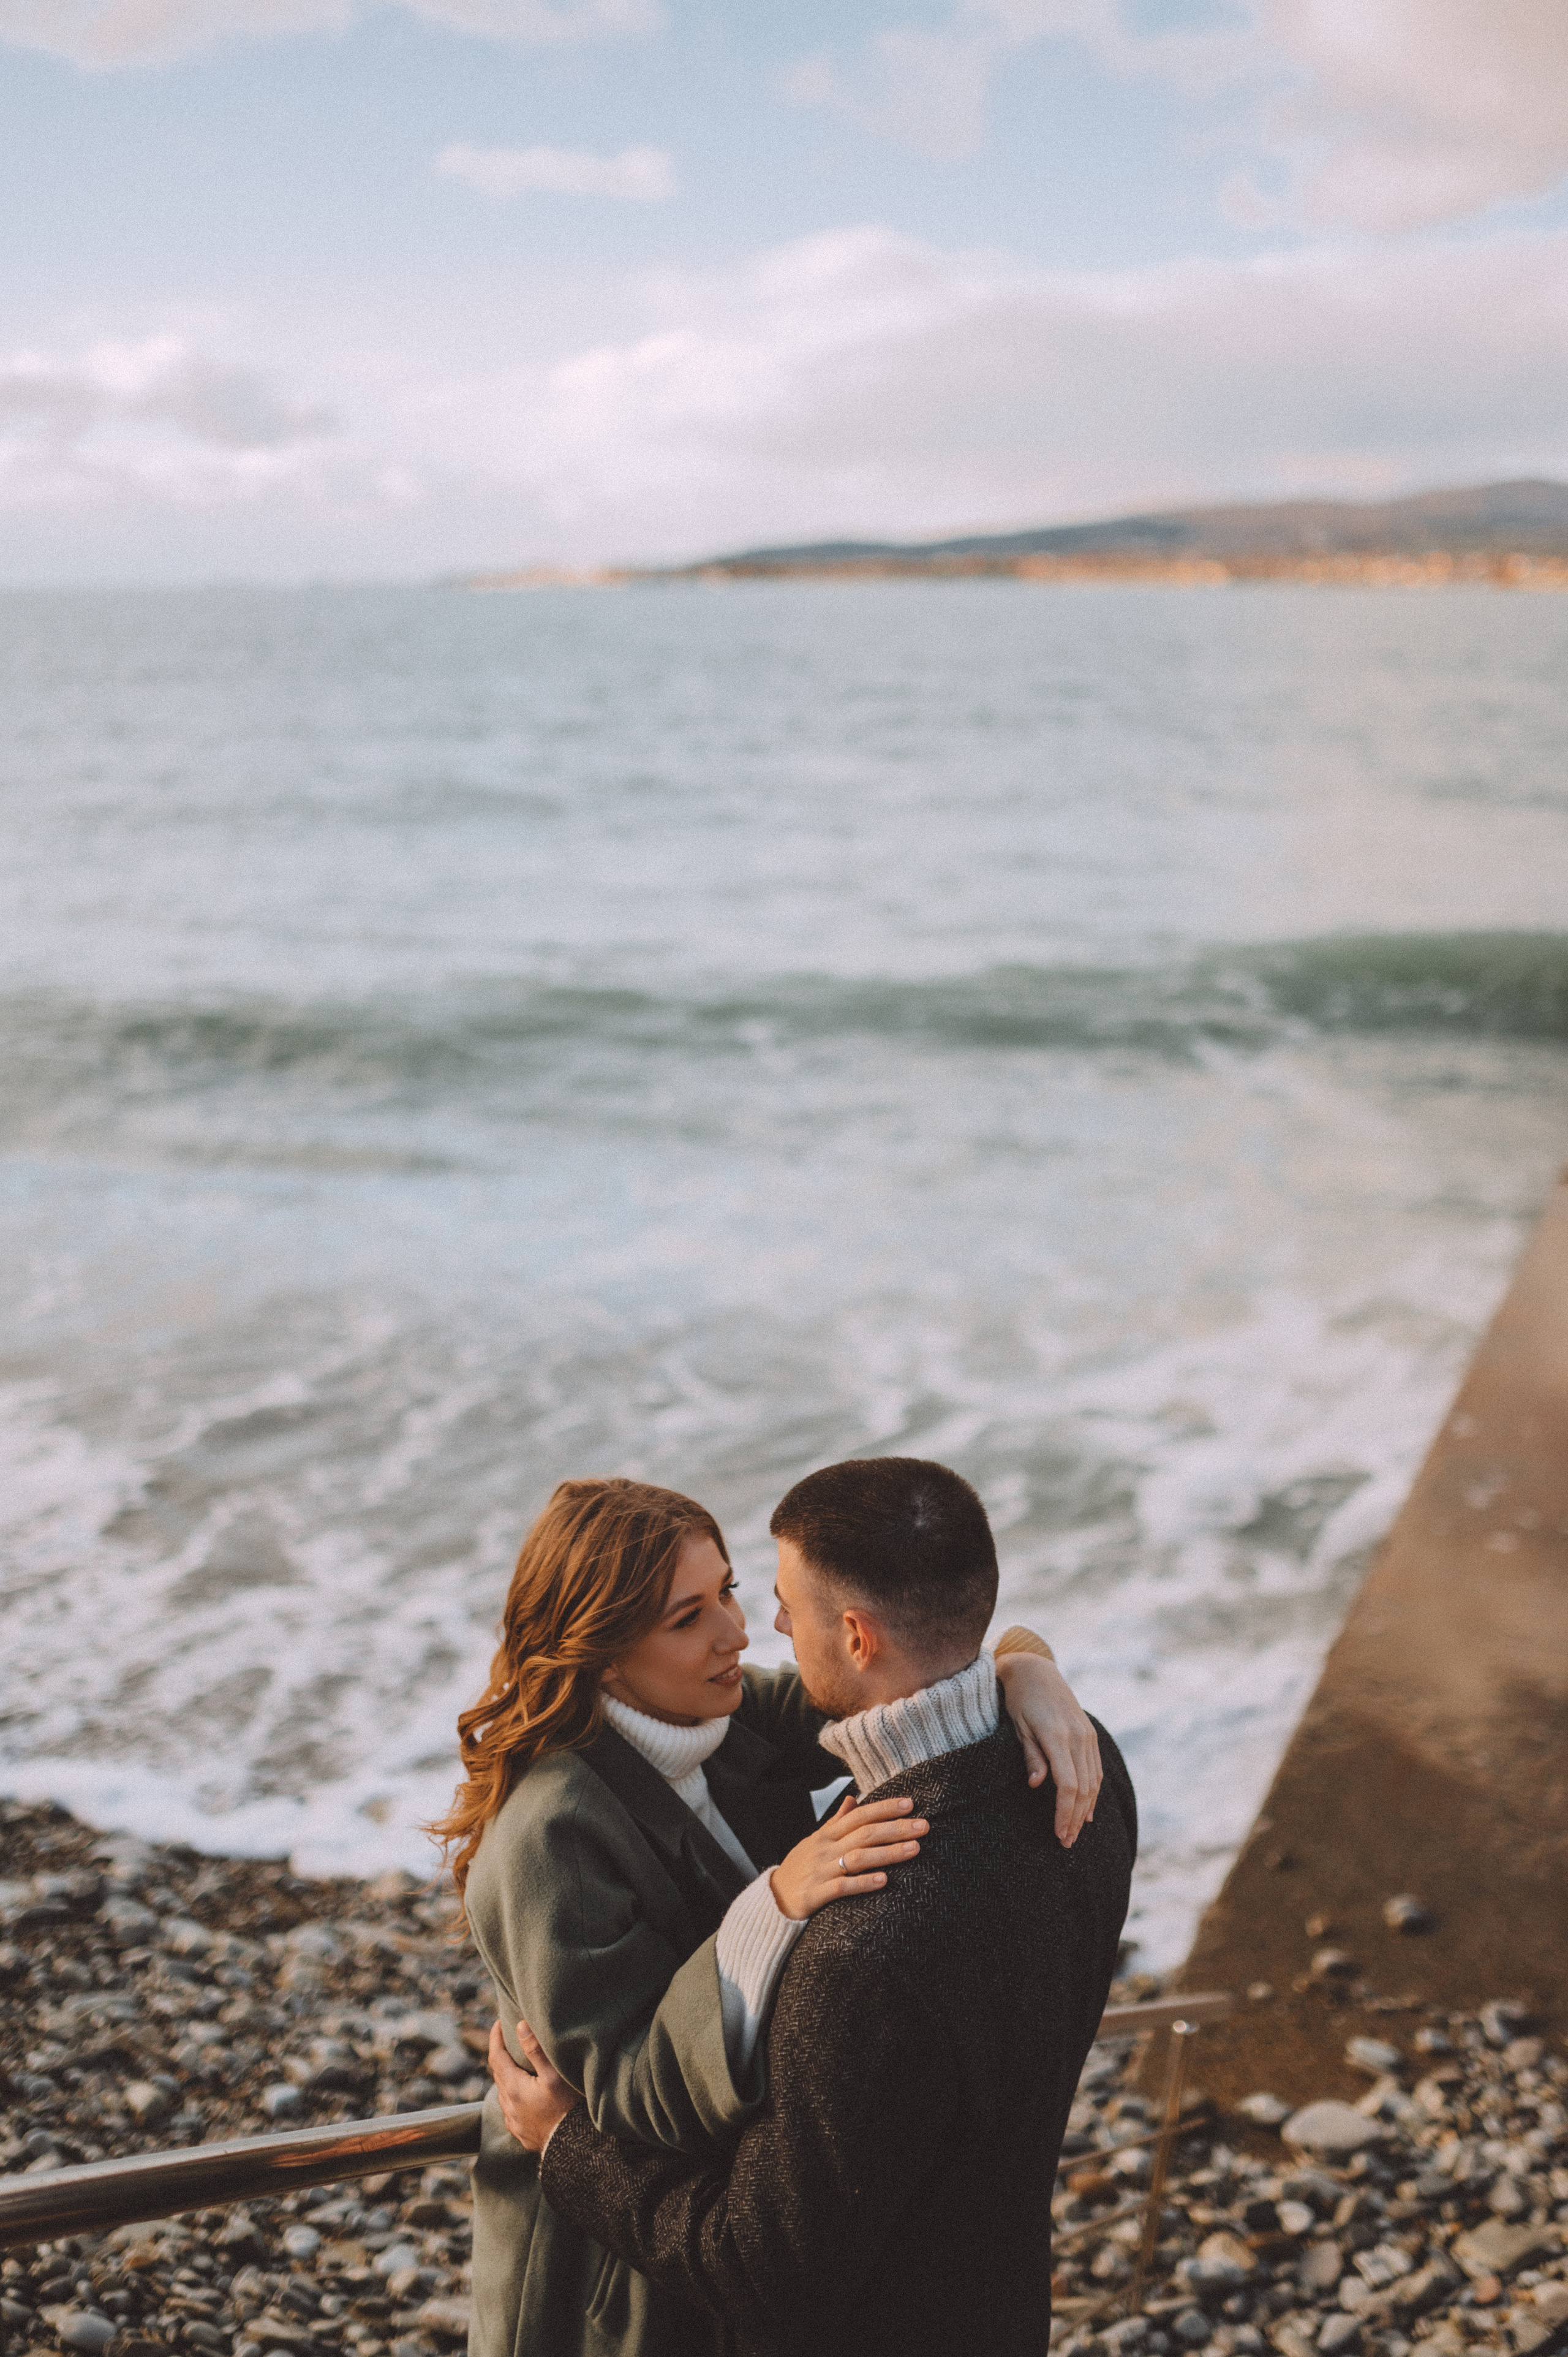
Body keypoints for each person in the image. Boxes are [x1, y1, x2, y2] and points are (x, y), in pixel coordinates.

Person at [431, 1474, 1104, 2357]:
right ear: (598, 1653)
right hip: (613, 2260)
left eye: (730, 1591)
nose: (737, 1634)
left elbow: (893, 1671)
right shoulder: (551, 1837)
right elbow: (631, 2097)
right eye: (688, 1617)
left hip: (744, 2226)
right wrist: (776, 1902)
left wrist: (1024, 1665)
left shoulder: (727, 1710)